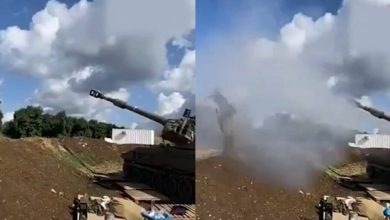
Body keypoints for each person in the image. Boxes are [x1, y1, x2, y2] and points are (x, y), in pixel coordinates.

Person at [209, 90, 236, 157]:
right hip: (225, 120)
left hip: (227, 119)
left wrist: (223, 116)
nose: (215, 102)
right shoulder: (221, 105)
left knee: (227, 134)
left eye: (216, 100)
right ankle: (227, 150)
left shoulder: (224, 103)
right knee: (226, 134)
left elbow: (230, 112)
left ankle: (228, 150)